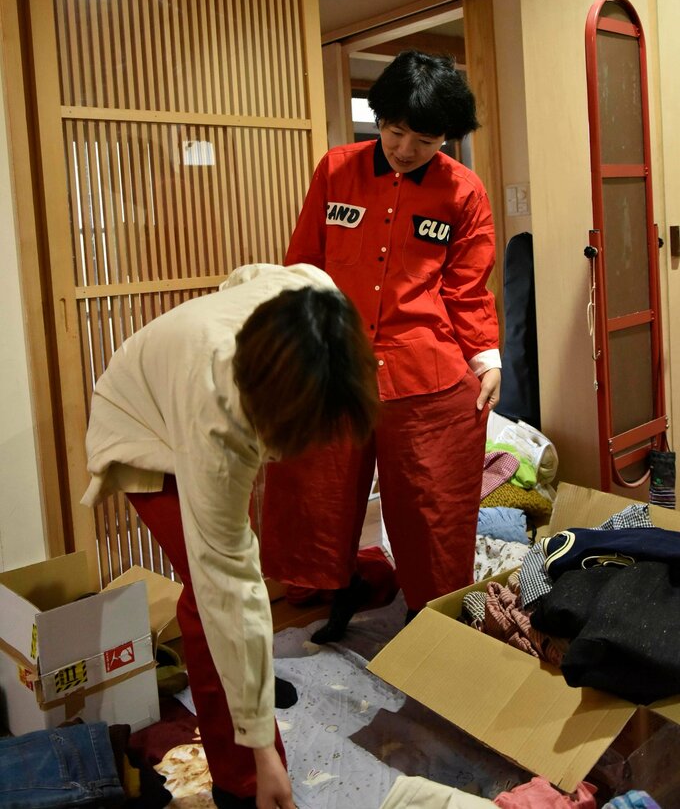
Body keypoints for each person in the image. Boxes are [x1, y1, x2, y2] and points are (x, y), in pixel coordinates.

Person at [82, 262, 379, 809]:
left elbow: (247, 277)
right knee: (210, 595)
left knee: (237, 581)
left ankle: (249, 694)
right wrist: (262, 747)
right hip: (140, 422)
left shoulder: (315, 292)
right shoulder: (215, 421)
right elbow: (227, 584)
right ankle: (240, 780)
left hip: (196, 380)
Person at [261, 50, 502, 641]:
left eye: (425, 140)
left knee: (431, 502)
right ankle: (338, 588)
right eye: (395, 132)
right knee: (317, 492)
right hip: (336, 362)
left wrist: (486, 357)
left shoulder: (463, 191)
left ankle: (430, 616)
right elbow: (305, 263)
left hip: (425, 368)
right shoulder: (336, 169)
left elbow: (467, 287)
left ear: (446, 138)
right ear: (379, 118)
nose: (405, 149)